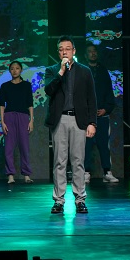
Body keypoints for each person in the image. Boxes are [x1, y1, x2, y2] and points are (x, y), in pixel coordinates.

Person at [44, 36, 97, 214]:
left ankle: (80, 199)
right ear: (58, 53)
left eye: (68, 49)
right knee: (59, 162)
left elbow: (92, 99)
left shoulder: (85, 71)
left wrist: (92, 122)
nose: (64, 52)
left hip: (78, 120)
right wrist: (61, 72)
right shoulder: (52, 71)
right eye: (61, 49)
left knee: (78, 161)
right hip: (59, 120)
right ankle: (58, 201)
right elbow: (49, 90)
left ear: (74, 51)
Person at [84, 43, 119, 183]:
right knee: (86, 145)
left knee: (104, 145)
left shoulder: (103, 71)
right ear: (85, 55)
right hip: (86, 116)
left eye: (94, 51)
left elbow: (109, 92)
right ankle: (85, 172)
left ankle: (107, 172)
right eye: (90, 51)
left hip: (102, 115)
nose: (93, 53)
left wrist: (106, 108)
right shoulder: (82, 70)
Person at [0, 60, 34, 184]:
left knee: (24, 146)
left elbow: (30, 104)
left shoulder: (26, 85)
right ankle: (10, 176)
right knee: (9, 147)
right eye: (12, 68)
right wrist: (2, 122)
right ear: (9, 71)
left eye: (17, 68)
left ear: (21, 70)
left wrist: (31, 121)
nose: (14, 71)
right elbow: (2, 105)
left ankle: (26, 175)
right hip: (9, 116)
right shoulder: (5, 86)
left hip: (23, 116)